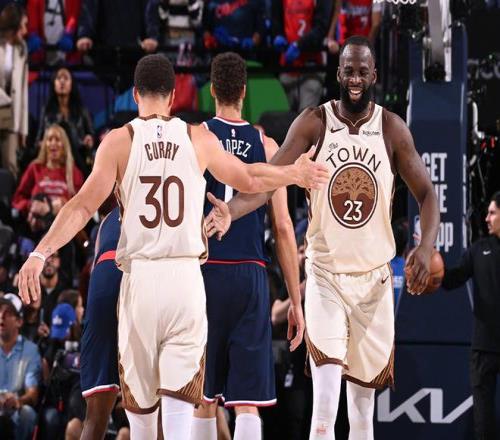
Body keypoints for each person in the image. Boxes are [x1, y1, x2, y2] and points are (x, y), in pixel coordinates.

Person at [16, 53, 329, 439]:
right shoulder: (198, 138)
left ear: (135, 95)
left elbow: (81, 207)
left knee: (143, 424)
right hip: (185, 283)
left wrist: (39, 252)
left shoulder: (118, 142)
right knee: (180, 423)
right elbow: (249, 179)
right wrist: (293, 173)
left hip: (141, 283)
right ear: (173, 96)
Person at [207, 35, 440, 439]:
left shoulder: (391, 128)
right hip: (326, 277)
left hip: (373, 282)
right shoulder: (314, 122)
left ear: (374, 75)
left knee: (362, 414)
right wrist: (233, 209)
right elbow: (270, 179)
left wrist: (425, 245)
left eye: (362, 71)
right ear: (338, 73)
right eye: (349, 71)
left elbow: (428, 195)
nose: (355, 79)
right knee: (324, 411)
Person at [191, 52, 305, 440]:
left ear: (212, 91)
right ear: (244, 91)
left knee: (202, 395)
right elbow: (284, 228)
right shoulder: (267, 145)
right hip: (249, 275)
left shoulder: (196, 139)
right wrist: (295, 301)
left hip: (204, 272)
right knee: (247, 402)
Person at [441, 191, 500, 440]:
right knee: (483, 420)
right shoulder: (478, 250)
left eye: (492, 213)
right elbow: (451, 279)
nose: (486, 218)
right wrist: (429, 259)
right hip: (484, 347)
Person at [35, 67, 94, 175]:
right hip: (52, 155)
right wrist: (42, 143)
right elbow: (38, 139)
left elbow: (91, 135)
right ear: (54, 84)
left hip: (77, 155)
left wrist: (89, 139)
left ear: (72, 84)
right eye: (58, 78)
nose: (62, 81)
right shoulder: (47, 110)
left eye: (66, 78)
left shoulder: (81, 110)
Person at [0, 293, 41, 440]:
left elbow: (33, 394)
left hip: (15, 410)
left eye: (8, 313)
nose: (1, 316)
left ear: (19, 321)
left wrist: (17, 401)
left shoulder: (30, 350)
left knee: (27, 414)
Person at [0, 3, 28, 177]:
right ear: (14, 26)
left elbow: (23, 90)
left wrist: (23, 130)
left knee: (11, 166)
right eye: (23, 25)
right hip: (2, 105)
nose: (26, 30)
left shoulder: (22, 49)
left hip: (11, 118)